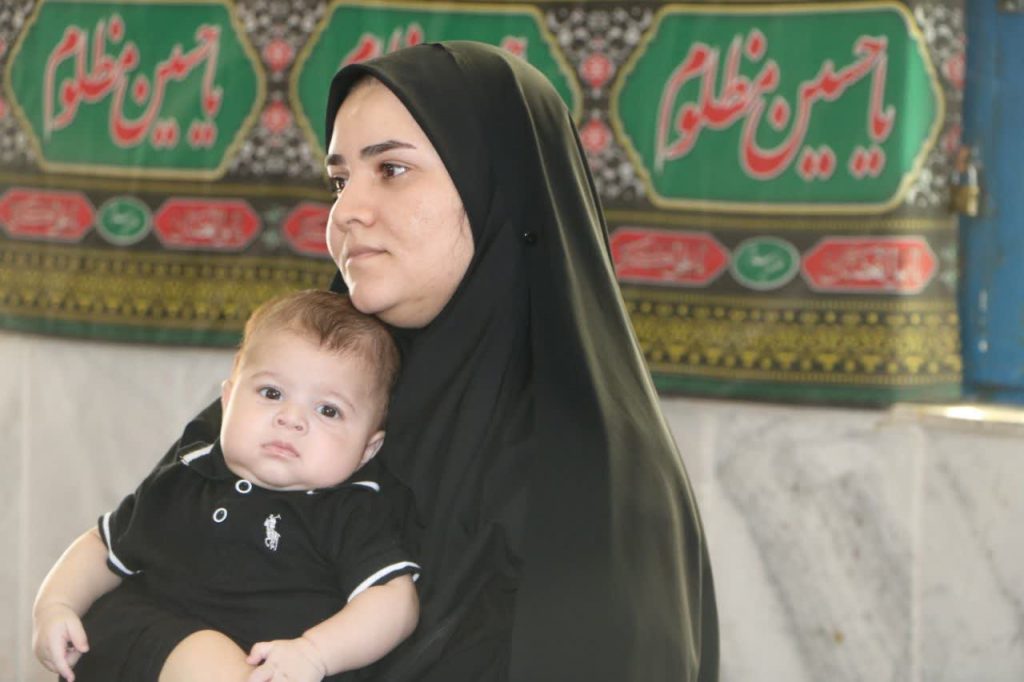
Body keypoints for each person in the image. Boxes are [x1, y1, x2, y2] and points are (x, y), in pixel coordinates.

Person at [41, 39, 719, 681]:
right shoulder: (306, 385)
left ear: (499, 189)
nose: (346, 213)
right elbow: (112, 611)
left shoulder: (594, 490)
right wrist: (197, 655)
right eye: (339, 181)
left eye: (391, 169)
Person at [32, 290, 419, 682]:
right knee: (199, 651)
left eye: (328, 410)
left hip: (256, 665)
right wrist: (55, 605)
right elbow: (104, 545)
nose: (291, 418)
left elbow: (394, 602)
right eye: (272, 393)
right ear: (228, 399)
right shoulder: (189, 473)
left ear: (368, 449)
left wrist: (315, 653)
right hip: (138, 644)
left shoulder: (350, 508)